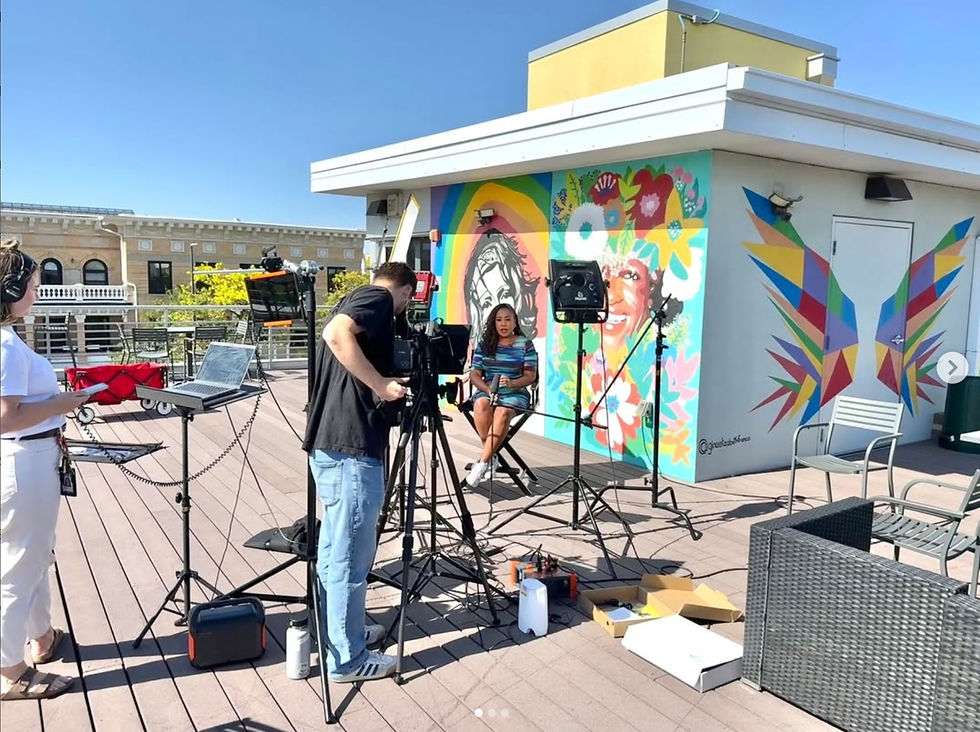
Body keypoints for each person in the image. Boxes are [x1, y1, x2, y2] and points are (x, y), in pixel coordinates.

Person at [302, 261, 417, 683]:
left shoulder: (350, 299)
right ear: (406, 289)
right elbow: (337, 335)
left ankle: (338, 634)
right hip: (351, 449)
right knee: (351, 555)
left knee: (335, 551)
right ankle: (348, 659)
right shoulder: (379, 298)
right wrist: (381, 385)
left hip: (331, 445)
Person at [1, 239, 89, 702]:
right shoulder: (6, 345)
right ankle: (10, 672)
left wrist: (52, 415)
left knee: (33, 556)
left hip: (29, 456)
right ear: (9, 287)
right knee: (18, 565)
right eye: (32, 285)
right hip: (22, 461)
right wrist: (64, 403)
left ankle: (41, 639)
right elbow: (4, 416)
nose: (37, 293)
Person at [465, 303, 538, 486]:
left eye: (507, 319)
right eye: (499, 320)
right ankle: (491, 456)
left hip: (516, 393)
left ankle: (483, 462)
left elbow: (530, 376)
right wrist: (487, 389)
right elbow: (474, 374)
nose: (503, 324)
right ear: (493, 323)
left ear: (515, 322)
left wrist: (513, 383)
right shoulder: (485, 344)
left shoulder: (525, 344)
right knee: (481, 405)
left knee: (502, 412)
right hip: (488, 391)